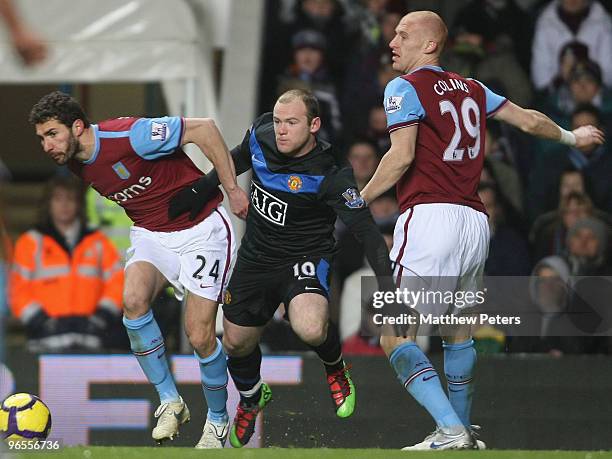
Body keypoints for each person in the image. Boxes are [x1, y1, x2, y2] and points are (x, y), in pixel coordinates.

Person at [359, 10, 605, 450]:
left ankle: (450, 428)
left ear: (430, 45)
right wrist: (572, 136)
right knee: (458, 329)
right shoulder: (472, 88)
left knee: (393, 332)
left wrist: (358, 200)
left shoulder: (403, 87)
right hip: (476, 221)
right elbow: (529, 120)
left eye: (403, 34)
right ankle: (461, 433)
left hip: (431, 215)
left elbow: (400, 156)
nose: (392, 41)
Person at [169, 88, 395, 448]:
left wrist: (388, 288)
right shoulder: (261, 136)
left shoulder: (332, 172)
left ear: (314, 125)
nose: (281, 130)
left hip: (304, 257)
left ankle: (335, 367)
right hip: (257, 257)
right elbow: (236, 158)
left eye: (291, 122)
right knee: (236, 343)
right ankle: (252, 397)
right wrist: (200, 190)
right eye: (277, 121)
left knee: (309, 327)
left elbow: (367, 232)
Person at [28, 91, 249, 448]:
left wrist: (233, 188)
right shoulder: (72, 160)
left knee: (199, 333)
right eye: (41, 138)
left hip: (202, 229)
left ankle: (219, 420)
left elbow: (205, 130)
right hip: (151, 232)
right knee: (131, 301)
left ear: (78, 126)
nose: (46, 145)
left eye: (52, 134)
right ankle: (170, 401)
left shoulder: (129, 135)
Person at [10, 177, 123, 352]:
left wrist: (101, 317)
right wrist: (42, 322)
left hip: (90, 337)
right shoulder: (30, 242)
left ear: (79, 204)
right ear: (48, 203)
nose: (64, 205)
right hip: (44, 340)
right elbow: (18, 290)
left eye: (70, 199)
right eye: (58, 199)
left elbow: (117, 282)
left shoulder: (98, 242)